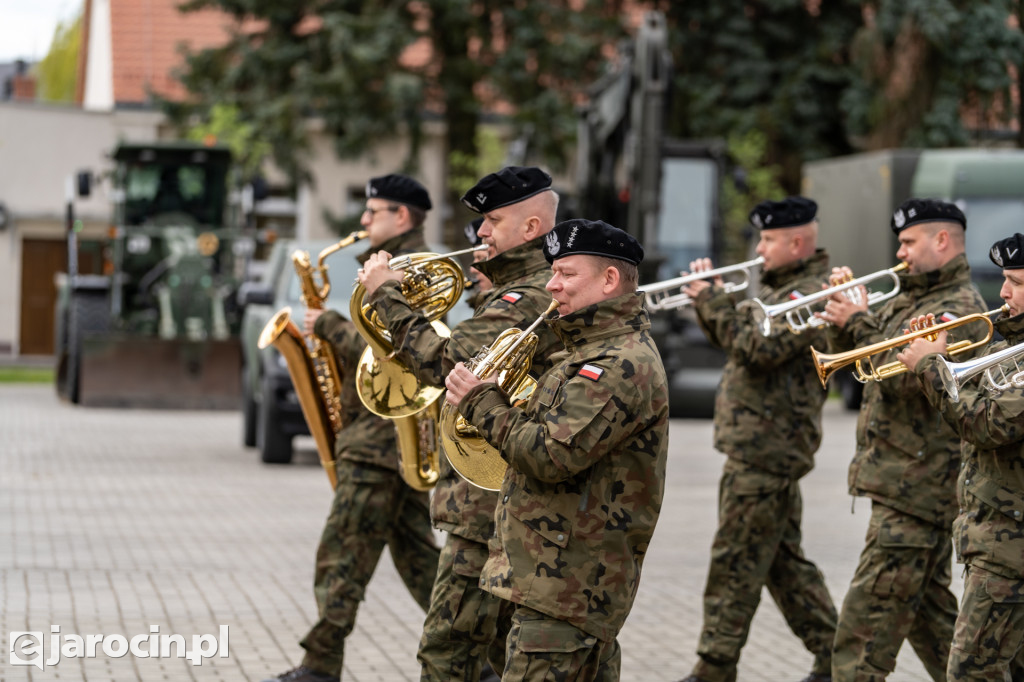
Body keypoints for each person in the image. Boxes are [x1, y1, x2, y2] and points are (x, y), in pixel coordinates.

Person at [358, 166, 563, 681]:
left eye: (494, 221)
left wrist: (386, 294)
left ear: (532, 227)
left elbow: (448, 362)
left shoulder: (528, 293)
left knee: (447, 654)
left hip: (487, 507)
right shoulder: (517, 288)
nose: (482, 232)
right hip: (495, 503)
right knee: (504, 653)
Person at [444, 218, 669, 681]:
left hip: (568, 589)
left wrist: (481, 402)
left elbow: (549, 455)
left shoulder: (616, 363)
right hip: (554, 584)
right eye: (553, 273)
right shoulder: (586, 352)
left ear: (609, 280)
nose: (552, 285)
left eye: (566, 273)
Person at [263, 174, 441, 682]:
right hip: (389, 441)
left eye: (373, 211)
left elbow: (396, 354)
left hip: (380, 441)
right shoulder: (395, 266)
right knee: (421, 563)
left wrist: (328, 326)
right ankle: (484, 659)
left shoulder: (414, 271)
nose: (363, 220)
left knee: (341, 553)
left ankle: (320, 665)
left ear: (401, 216)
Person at [817, 198, 987, 682]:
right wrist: (842, 318)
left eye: (909, 242)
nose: (900, 253)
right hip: (901, 485)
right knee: (938, 629)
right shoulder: (909, 298)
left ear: (942, 240)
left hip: (917, 491)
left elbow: (906, 380)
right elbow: (865, 367)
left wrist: (859, 320)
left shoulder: (959, 309)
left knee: (861, 636)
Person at [677, 197, 838, 682]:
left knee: (735, 558)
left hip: (768, 449)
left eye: (767, 240)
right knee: (781, 563)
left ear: (797, 242)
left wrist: (712, 301)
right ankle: (836, 656)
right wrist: (707, 304)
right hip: (759, 446)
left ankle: (715, 666)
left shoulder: (808, 295)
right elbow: (736, 342)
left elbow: (755, 347)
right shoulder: (780, 289)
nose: (759, 249)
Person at [897, 233, 1024, 681]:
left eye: (1016, 283)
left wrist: (931, 367)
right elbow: (972, 400)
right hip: (995, 540)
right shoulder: (1007, 347)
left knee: (970, 672)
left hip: (1009, 550)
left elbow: (988, 424)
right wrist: (940, 355)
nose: (1003, 293)